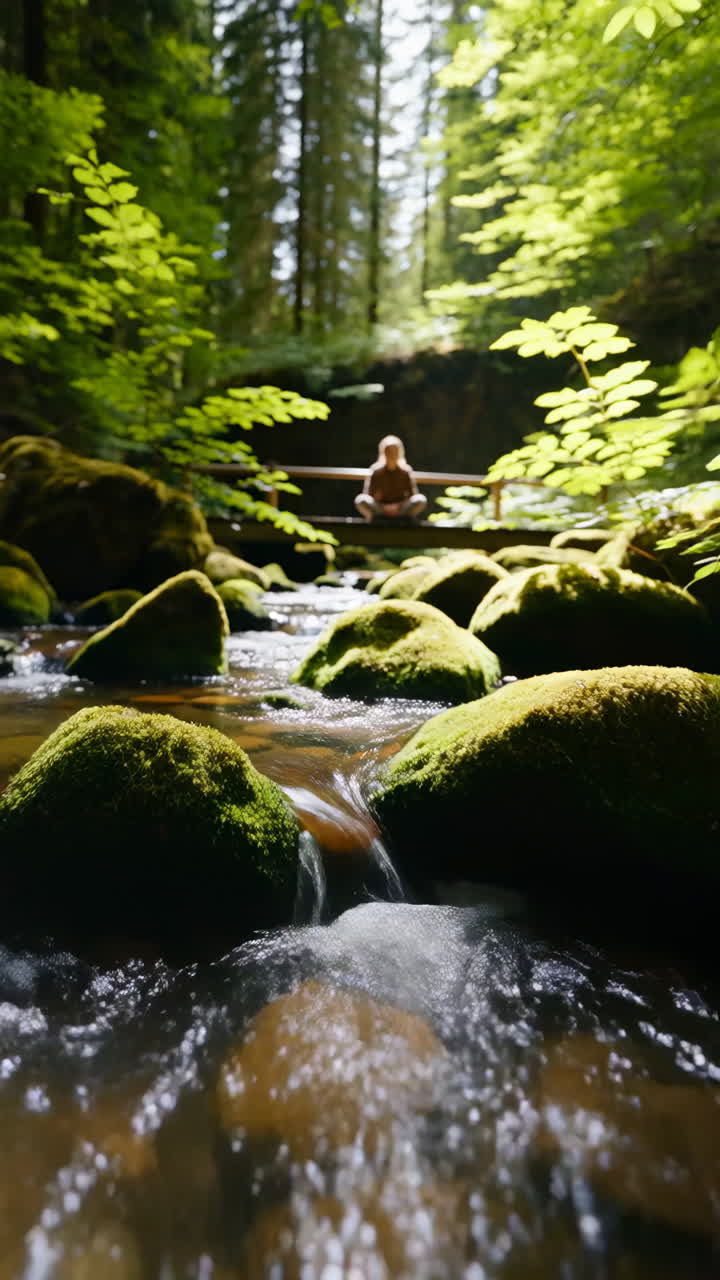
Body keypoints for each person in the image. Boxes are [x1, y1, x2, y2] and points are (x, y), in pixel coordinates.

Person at [354, 435, 427, 524]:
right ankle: (377, 519)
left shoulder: (405, 471)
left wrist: (398, 506)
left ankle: (403, 519)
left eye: (394, 451)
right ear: (383, 452)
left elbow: (413, 495)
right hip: (381, 508)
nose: (391, 454)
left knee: (420, 499)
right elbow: (368, 495)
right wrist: (384, 506)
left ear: (399, 453)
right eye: (388, 451)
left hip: (400, 509)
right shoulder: (376, 471)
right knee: (361, 500)